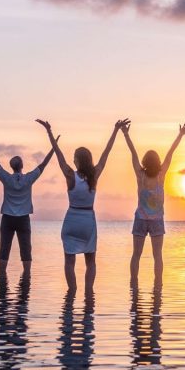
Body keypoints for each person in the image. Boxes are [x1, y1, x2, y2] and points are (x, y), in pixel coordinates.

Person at [36, 117, 124, 293]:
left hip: (71, 221)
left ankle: (72, 293)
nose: (72, 160)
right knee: (90, 261)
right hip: (87, 222)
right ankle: (89, 294)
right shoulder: (94, 175)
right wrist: (115, 131)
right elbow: (107, 153)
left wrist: (49, 132)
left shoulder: (70, 175)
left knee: (69, 261)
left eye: (74, 158)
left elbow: (58, 154)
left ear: (78, 160)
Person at [122, 119, 185, 285]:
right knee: (157, 256)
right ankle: (158, 286)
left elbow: (133, 153)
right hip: (156, 221)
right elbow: (170, 153)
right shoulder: (161, 176)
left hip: (140, 219)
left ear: (145, 162)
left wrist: (126, 134)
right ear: (157, 162)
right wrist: (180, 135)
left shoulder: (141, 176)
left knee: (136, 255)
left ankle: (134, 285)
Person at [0, 131, 54, 279]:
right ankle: (26, 275)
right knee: (26, 249)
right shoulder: (28, 178)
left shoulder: (6, 177)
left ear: (12, 166)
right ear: (22, 165)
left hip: (8, 218)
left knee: (4, 248)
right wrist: (54, 147)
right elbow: (43, 165)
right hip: (23, 218)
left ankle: (2, 275)